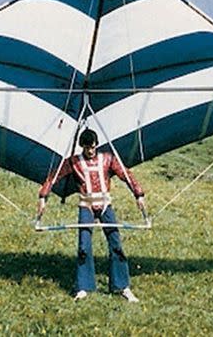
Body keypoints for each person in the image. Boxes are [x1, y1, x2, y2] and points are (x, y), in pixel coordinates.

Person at [37, 128, 146, 302]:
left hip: (105, 204)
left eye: (93, 147)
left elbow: (126, 175)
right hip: (86, 204)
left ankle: (122, 286)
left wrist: (139, 194)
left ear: (97, 145)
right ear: (82, 146)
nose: (90, 151)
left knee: (116, 243)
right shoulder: (74, 162)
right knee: (84, 246)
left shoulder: (107, 158)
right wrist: (43, 197)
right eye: (87, 148)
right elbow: (53, 177)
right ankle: (83, 286)